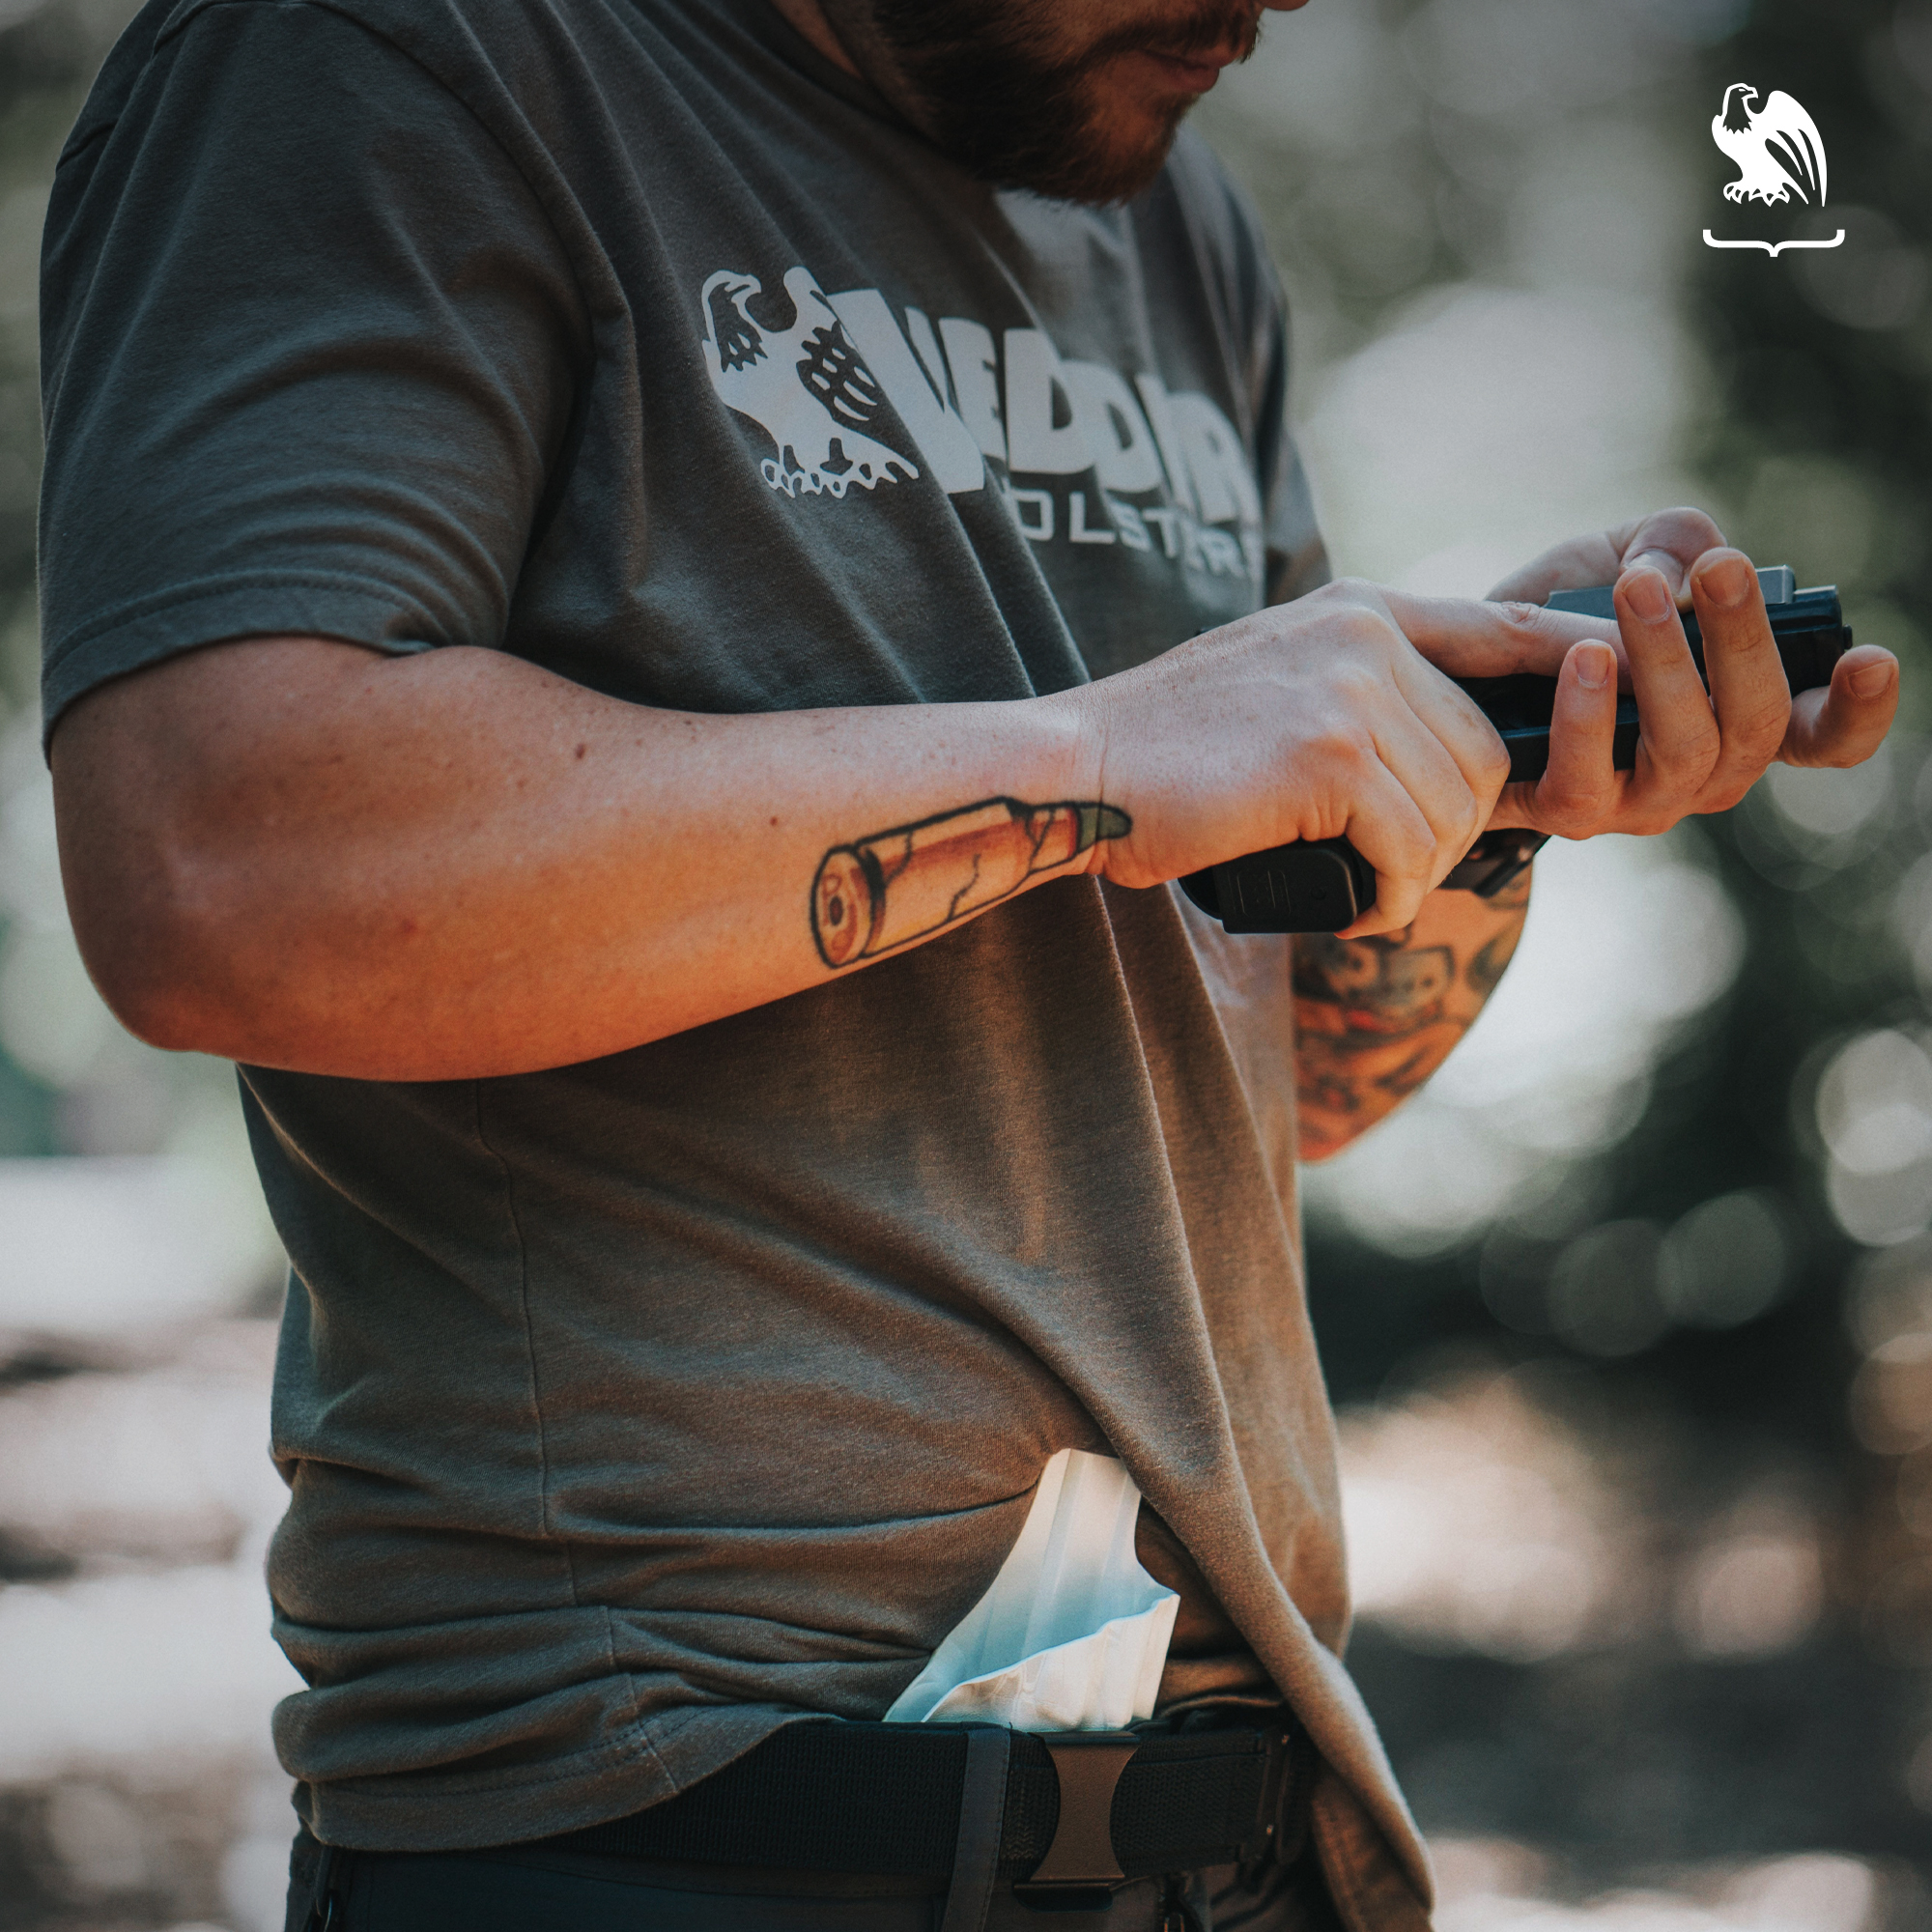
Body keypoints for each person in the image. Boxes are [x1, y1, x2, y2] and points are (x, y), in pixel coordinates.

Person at [37, 0, 1897, 1922]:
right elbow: (214, 856)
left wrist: (1480, 802)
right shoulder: (389, 57)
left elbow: (1276, 1091)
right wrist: (1092, 756)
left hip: (1243, 1841)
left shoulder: (1165, 214)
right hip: (676, 1838)